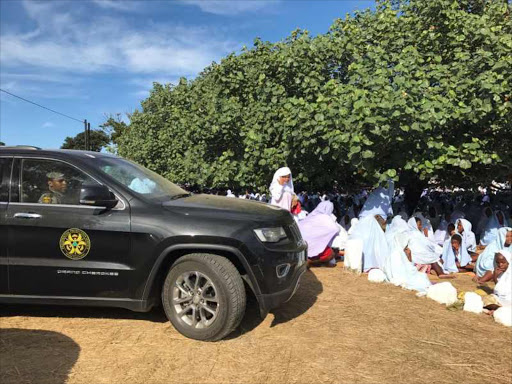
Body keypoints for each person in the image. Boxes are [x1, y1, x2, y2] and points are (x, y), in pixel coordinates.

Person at [298, 201, 340, 268]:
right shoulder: (326, 218)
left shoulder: (311, 215)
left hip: (300, 247)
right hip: (311, 248)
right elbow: (335, 229)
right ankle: (310, 261)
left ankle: (308, 260)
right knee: (331, 254)